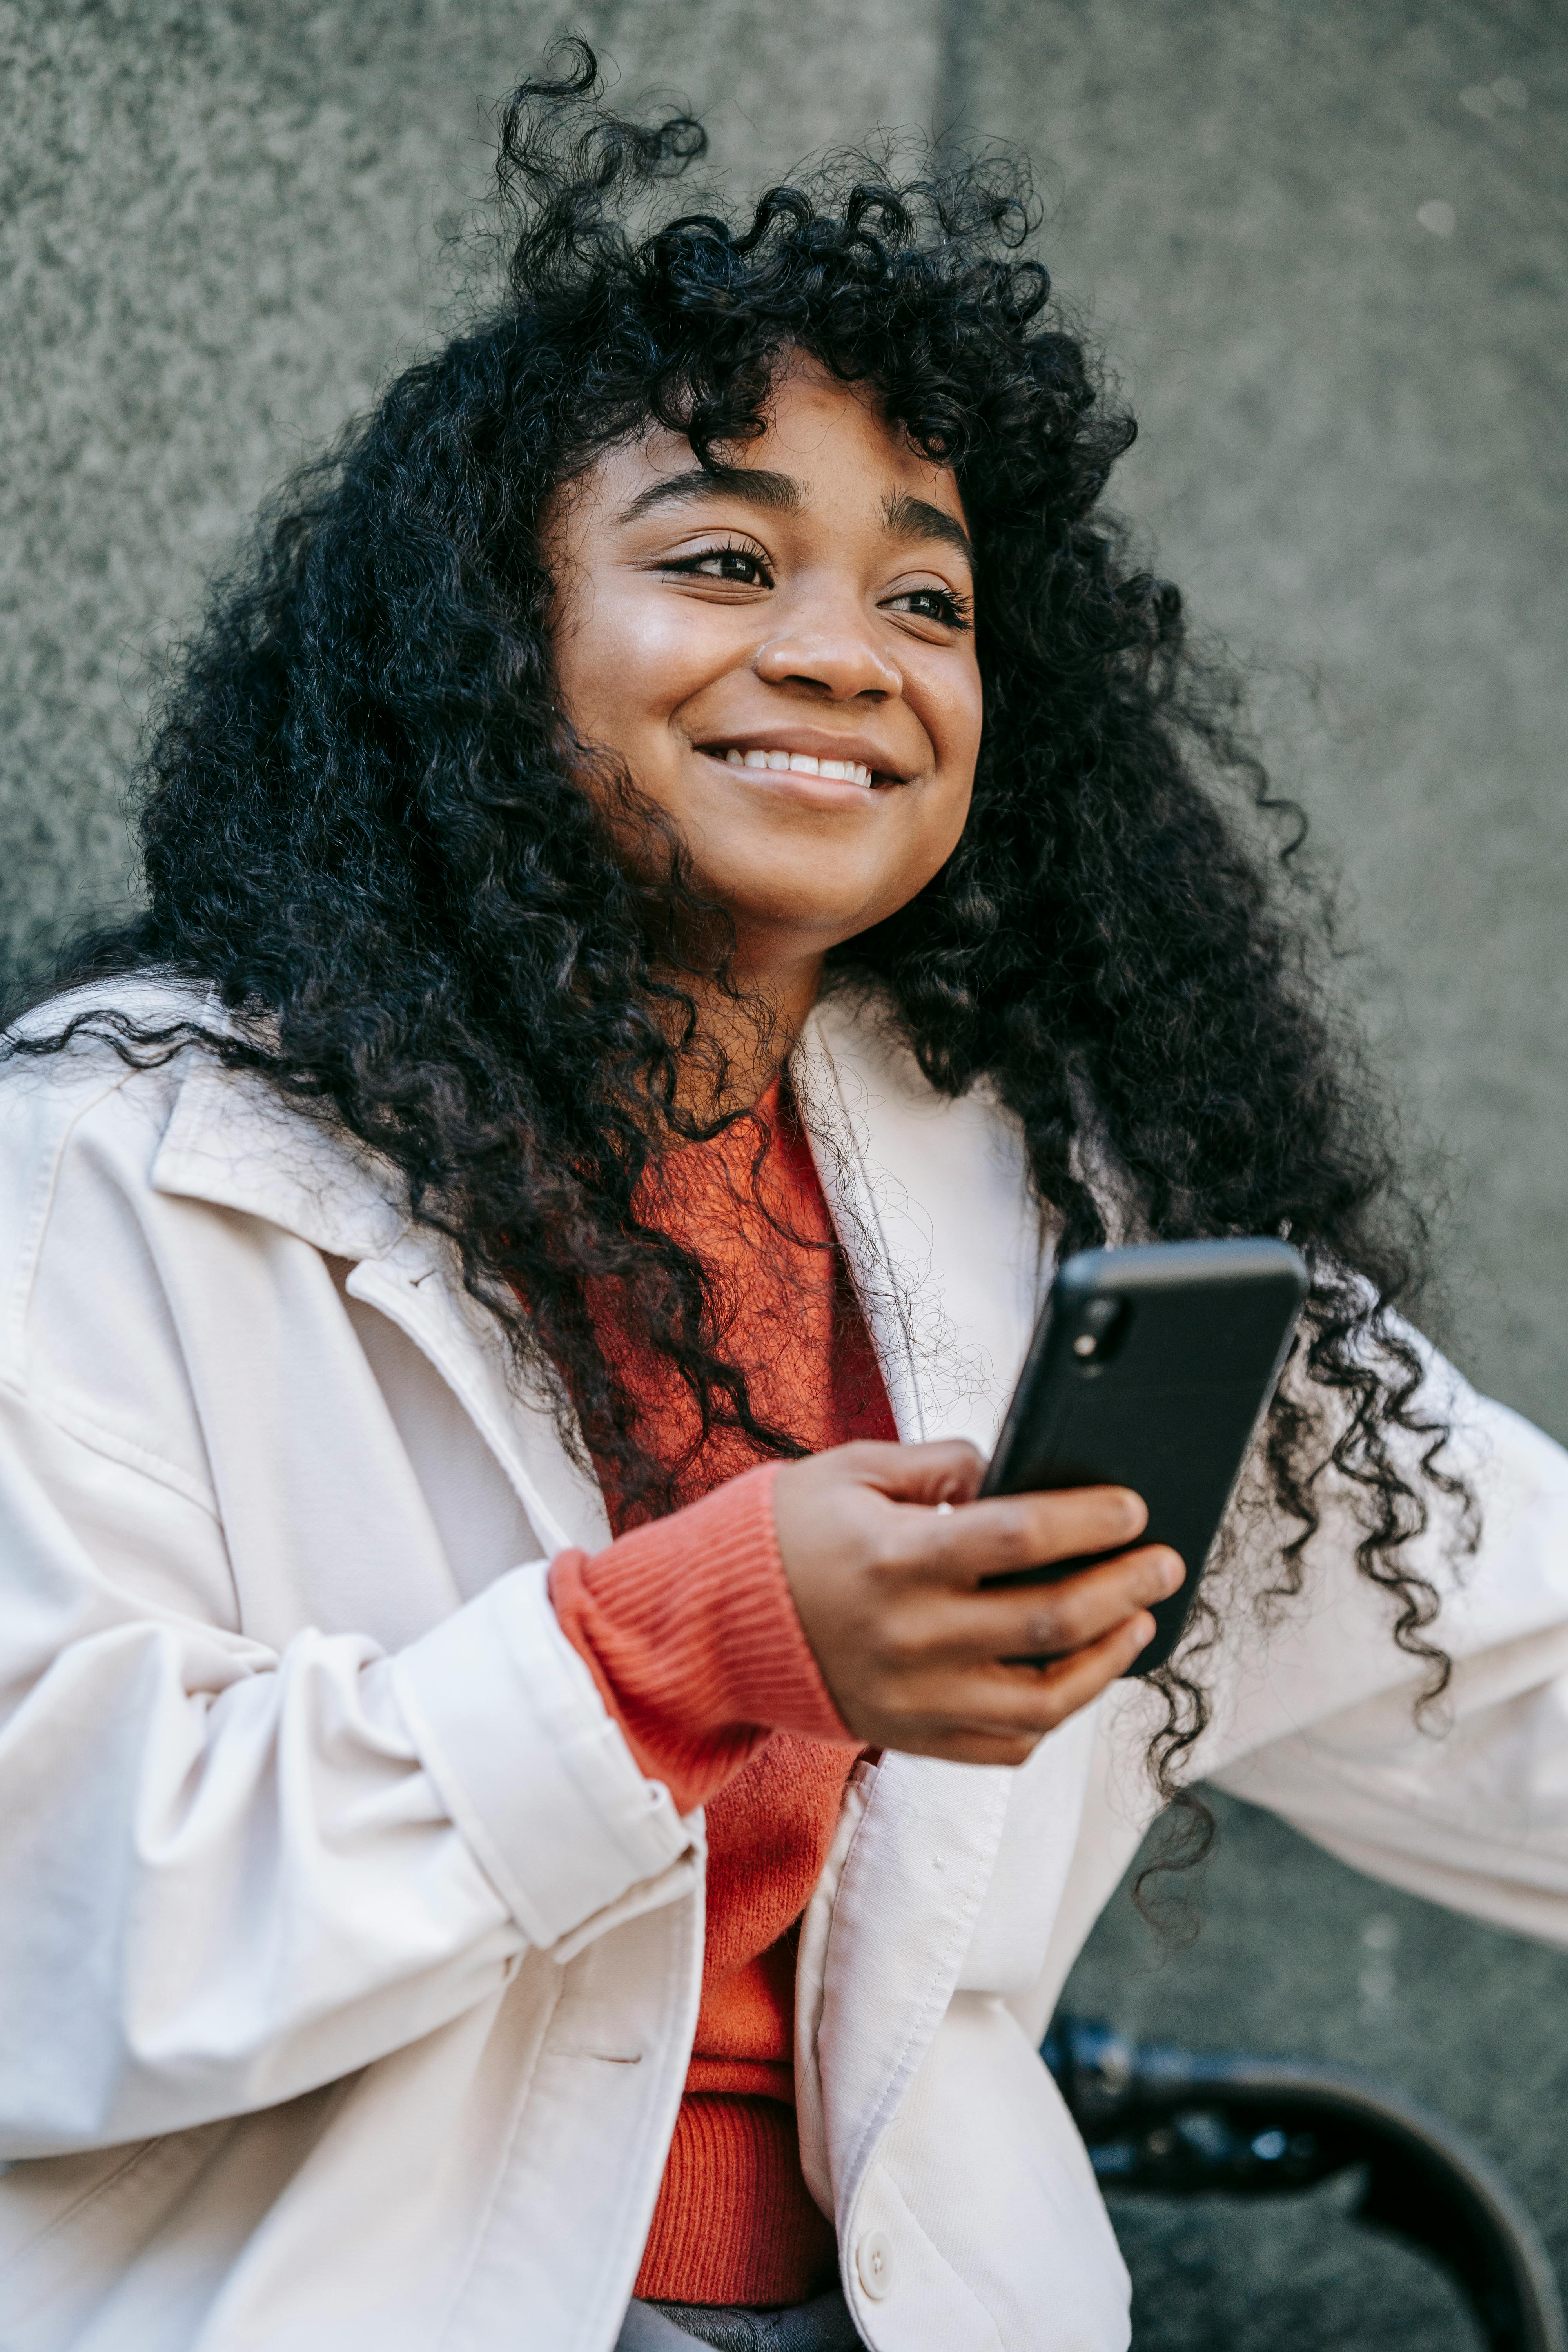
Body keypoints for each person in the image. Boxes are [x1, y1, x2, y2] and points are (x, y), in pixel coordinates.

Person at [0, 47, 1564, 2352]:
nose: (846, 653)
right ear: (480, 637)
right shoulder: (125, 1164)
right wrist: (679, 1653)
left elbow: (1523, 1663)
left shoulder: (1060, 1204)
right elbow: (48, 1909)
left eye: (927, 605)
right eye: (722, 560)